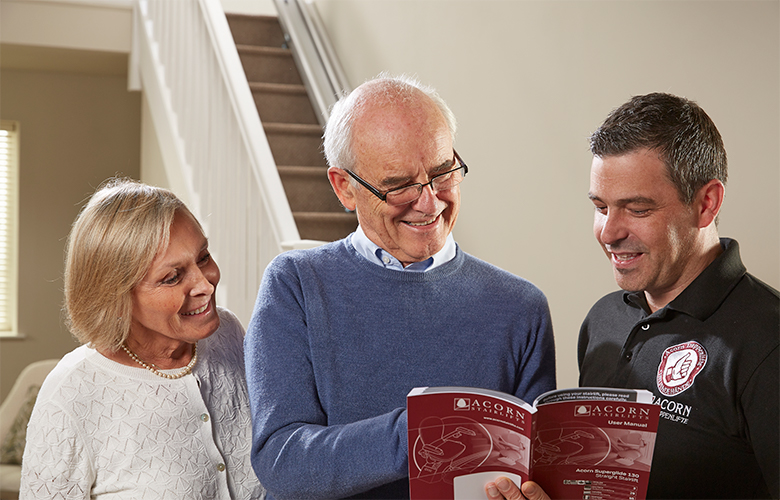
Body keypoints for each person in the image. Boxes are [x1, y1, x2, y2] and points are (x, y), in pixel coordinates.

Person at [244, 74, 557, 499]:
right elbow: (282, 462)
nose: (429, 202)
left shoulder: (521, 307)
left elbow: (532, 472)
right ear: (344, 187)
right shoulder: (295, 285)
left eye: (443, 173)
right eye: (399, 185)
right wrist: (425, 431)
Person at [487, 92, 779, 500]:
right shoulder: (602, 321)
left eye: (637, 209)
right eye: (601, 206)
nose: (609, 233)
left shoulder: (768, 340)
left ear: (706, 203)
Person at [20, 178, 265, 499]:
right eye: (172, 277)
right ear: (115, 295)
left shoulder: (228, 333)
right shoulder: (71, 392)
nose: (205, 284)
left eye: (203, 257)